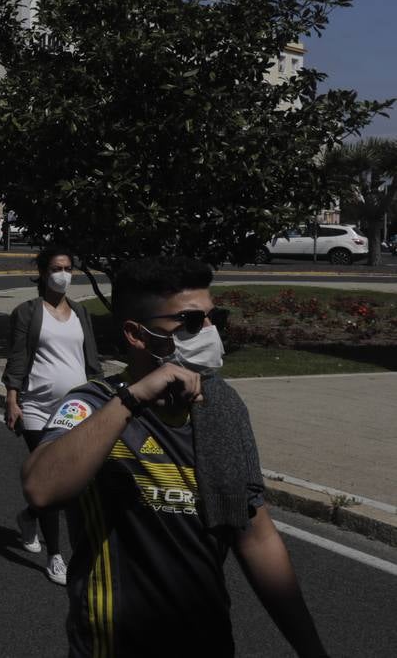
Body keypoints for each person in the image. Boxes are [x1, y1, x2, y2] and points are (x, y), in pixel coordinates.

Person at [22, 256, 329, 658]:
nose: (208, 332)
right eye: (189, 322)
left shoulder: (222, 406)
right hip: (114, 644)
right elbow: (41, 488)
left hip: (207, 641)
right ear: (136, 334)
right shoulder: (94, 403)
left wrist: (311, 648)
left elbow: (255, 536)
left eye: (212, 318)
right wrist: (132, 399)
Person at [2, 245, 101, 586]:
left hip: (74, 410)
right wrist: (12, 398)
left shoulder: (80, 313)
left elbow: (91, 361)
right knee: (49, 478)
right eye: (57, 268)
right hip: (36, 408)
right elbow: (17, 358)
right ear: (44, 274)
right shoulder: (28, 312)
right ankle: (55, 556)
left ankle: (30, 515)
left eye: (68, 268)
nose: (64, 274)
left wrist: (99, 395)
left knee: (70, 481)